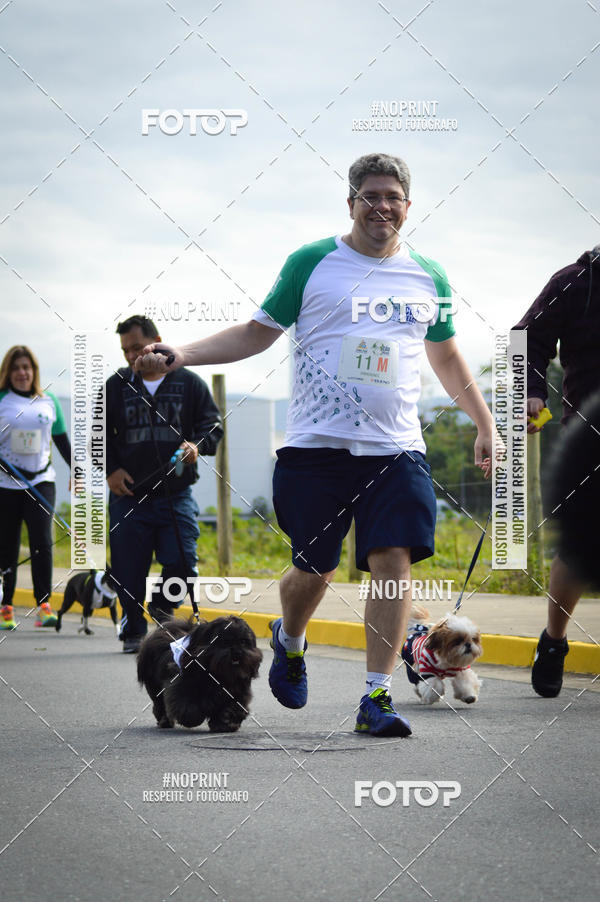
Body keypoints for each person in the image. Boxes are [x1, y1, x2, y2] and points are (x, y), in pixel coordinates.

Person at [135, 153, 494, 735]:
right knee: (316, 566)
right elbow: (256, 333)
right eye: (370, 196)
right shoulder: (312, 262)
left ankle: (377, 697)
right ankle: (291, 637)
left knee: (393, 562)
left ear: (408, 206)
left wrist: (484, 422)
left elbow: (447, 355)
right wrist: (182, 354)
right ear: (350, 202)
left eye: (393, 197)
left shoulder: (430, 274)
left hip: (396, 449)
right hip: (316, 448)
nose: (382, 206)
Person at [106, 315, 223, 654]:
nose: (132, 356)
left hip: (176, 493)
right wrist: (111, 470)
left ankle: (161, 606)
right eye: (125, 350)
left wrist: (196, 445)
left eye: (137, 347)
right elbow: (96, 434)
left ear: (156, 341)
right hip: (129, 496)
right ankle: (133, 627)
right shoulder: (116, 386)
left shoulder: (189, 383)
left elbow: (213, 426)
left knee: (183, 561)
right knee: (128, 568)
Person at [513, 244, 600, 697]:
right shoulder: (575, 281)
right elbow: (525, 340)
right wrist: (532, 392)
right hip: (588, 439)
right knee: (577, 546)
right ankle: (554, 640)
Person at [0, 345, 71, 629]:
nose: (22, 373)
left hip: (41, 481)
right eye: (16, 368)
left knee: (42, 542)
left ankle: (43, 606)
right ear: (8, 372)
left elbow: (62, 441)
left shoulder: (49, 401)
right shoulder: (2, 399)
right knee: (7, 545)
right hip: (6, 483)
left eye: (26, 367)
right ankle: (5, 606)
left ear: (34, 371)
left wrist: (77, 471)